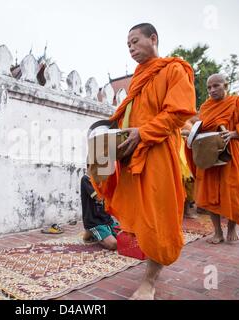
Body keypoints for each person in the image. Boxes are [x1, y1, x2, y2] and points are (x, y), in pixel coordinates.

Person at [91, 23, 196, 300]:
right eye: (128, 45)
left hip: (158, 153)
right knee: (140, 217)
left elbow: (178, 113)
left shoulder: (174, 69)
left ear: (153, 38)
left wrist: (144, 133)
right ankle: (147, 258)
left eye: (135, 41)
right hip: (131, 154)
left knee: (158, 218)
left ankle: (149, 282)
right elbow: (128, 115)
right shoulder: (139, 77)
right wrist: (109, 137)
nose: (131, 48)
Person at [190, 74, 239, 244]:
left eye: (216, 86)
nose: (212, 90)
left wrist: (233, 133)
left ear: (226, 85)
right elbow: (200, 128)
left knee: (233, 191)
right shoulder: (206, 106)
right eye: (209, 87)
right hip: (209, 154)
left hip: (231, 154)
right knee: (210, 193)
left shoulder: (238, 102)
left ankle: (232, 229)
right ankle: (217, 232)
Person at [81, 172, 118, 250]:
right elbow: (98, 197)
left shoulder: (102, 178)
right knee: (114, 244)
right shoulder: (86, 179)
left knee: (125, 236)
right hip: (95, 221)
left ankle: (92, 233)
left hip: (107, 219)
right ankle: (91, 232)